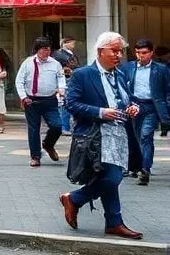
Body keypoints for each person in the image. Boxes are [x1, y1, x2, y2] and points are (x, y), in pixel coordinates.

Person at [60, 31, 142, 240]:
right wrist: (100, 112)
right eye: (113, 51)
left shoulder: (121, 74)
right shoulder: (83, 74)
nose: (118, 55)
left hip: (119, 135)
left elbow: (127, 99)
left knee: (109, 178)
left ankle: (79, 202)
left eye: (120, 51)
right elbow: (71, 104)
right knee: (112, 178)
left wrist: (132, 107)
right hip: (93, 137)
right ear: (99, 51)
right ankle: (111, 220)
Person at [121, 38, 170, 185]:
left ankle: (145, 169)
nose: (140, 56)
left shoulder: (160, 69)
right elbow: (122, 87)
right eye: (137, 53)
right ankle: (142, 166)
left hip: (152, 107)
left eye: (144, 53)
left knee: (145, 136)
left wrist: (166, 110)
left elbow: (167, 90)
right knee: (138, 139)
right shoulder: (128, 67)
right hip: (134, 106)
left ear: (151, 53)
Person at [16, 36, 66, 167]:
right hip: (31, 101)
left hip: (49, 100)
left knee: (57, 126)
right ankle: (35, 156)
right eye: (44, 49)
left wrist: (61, 89)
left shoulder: (55, 64)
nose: (47, 52)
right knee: (33, 129)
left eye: (48, 50)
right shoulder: (27, 63)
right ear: (37, 50)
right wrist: (23, 97)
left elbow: (61, 78)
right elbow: (19, 81)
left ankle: (48, 145)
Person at [53, 37, 79, 134]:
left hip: (71, 80)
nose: (73, 45)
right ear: (65, 43)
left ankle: (68, 126)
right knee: (64, 104)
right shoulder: (59, 54)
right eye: (72, 43)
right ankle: (64, 126)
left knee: (69, 103)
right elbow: (60, 69)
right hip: (66, 80)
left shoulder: (70, 54)